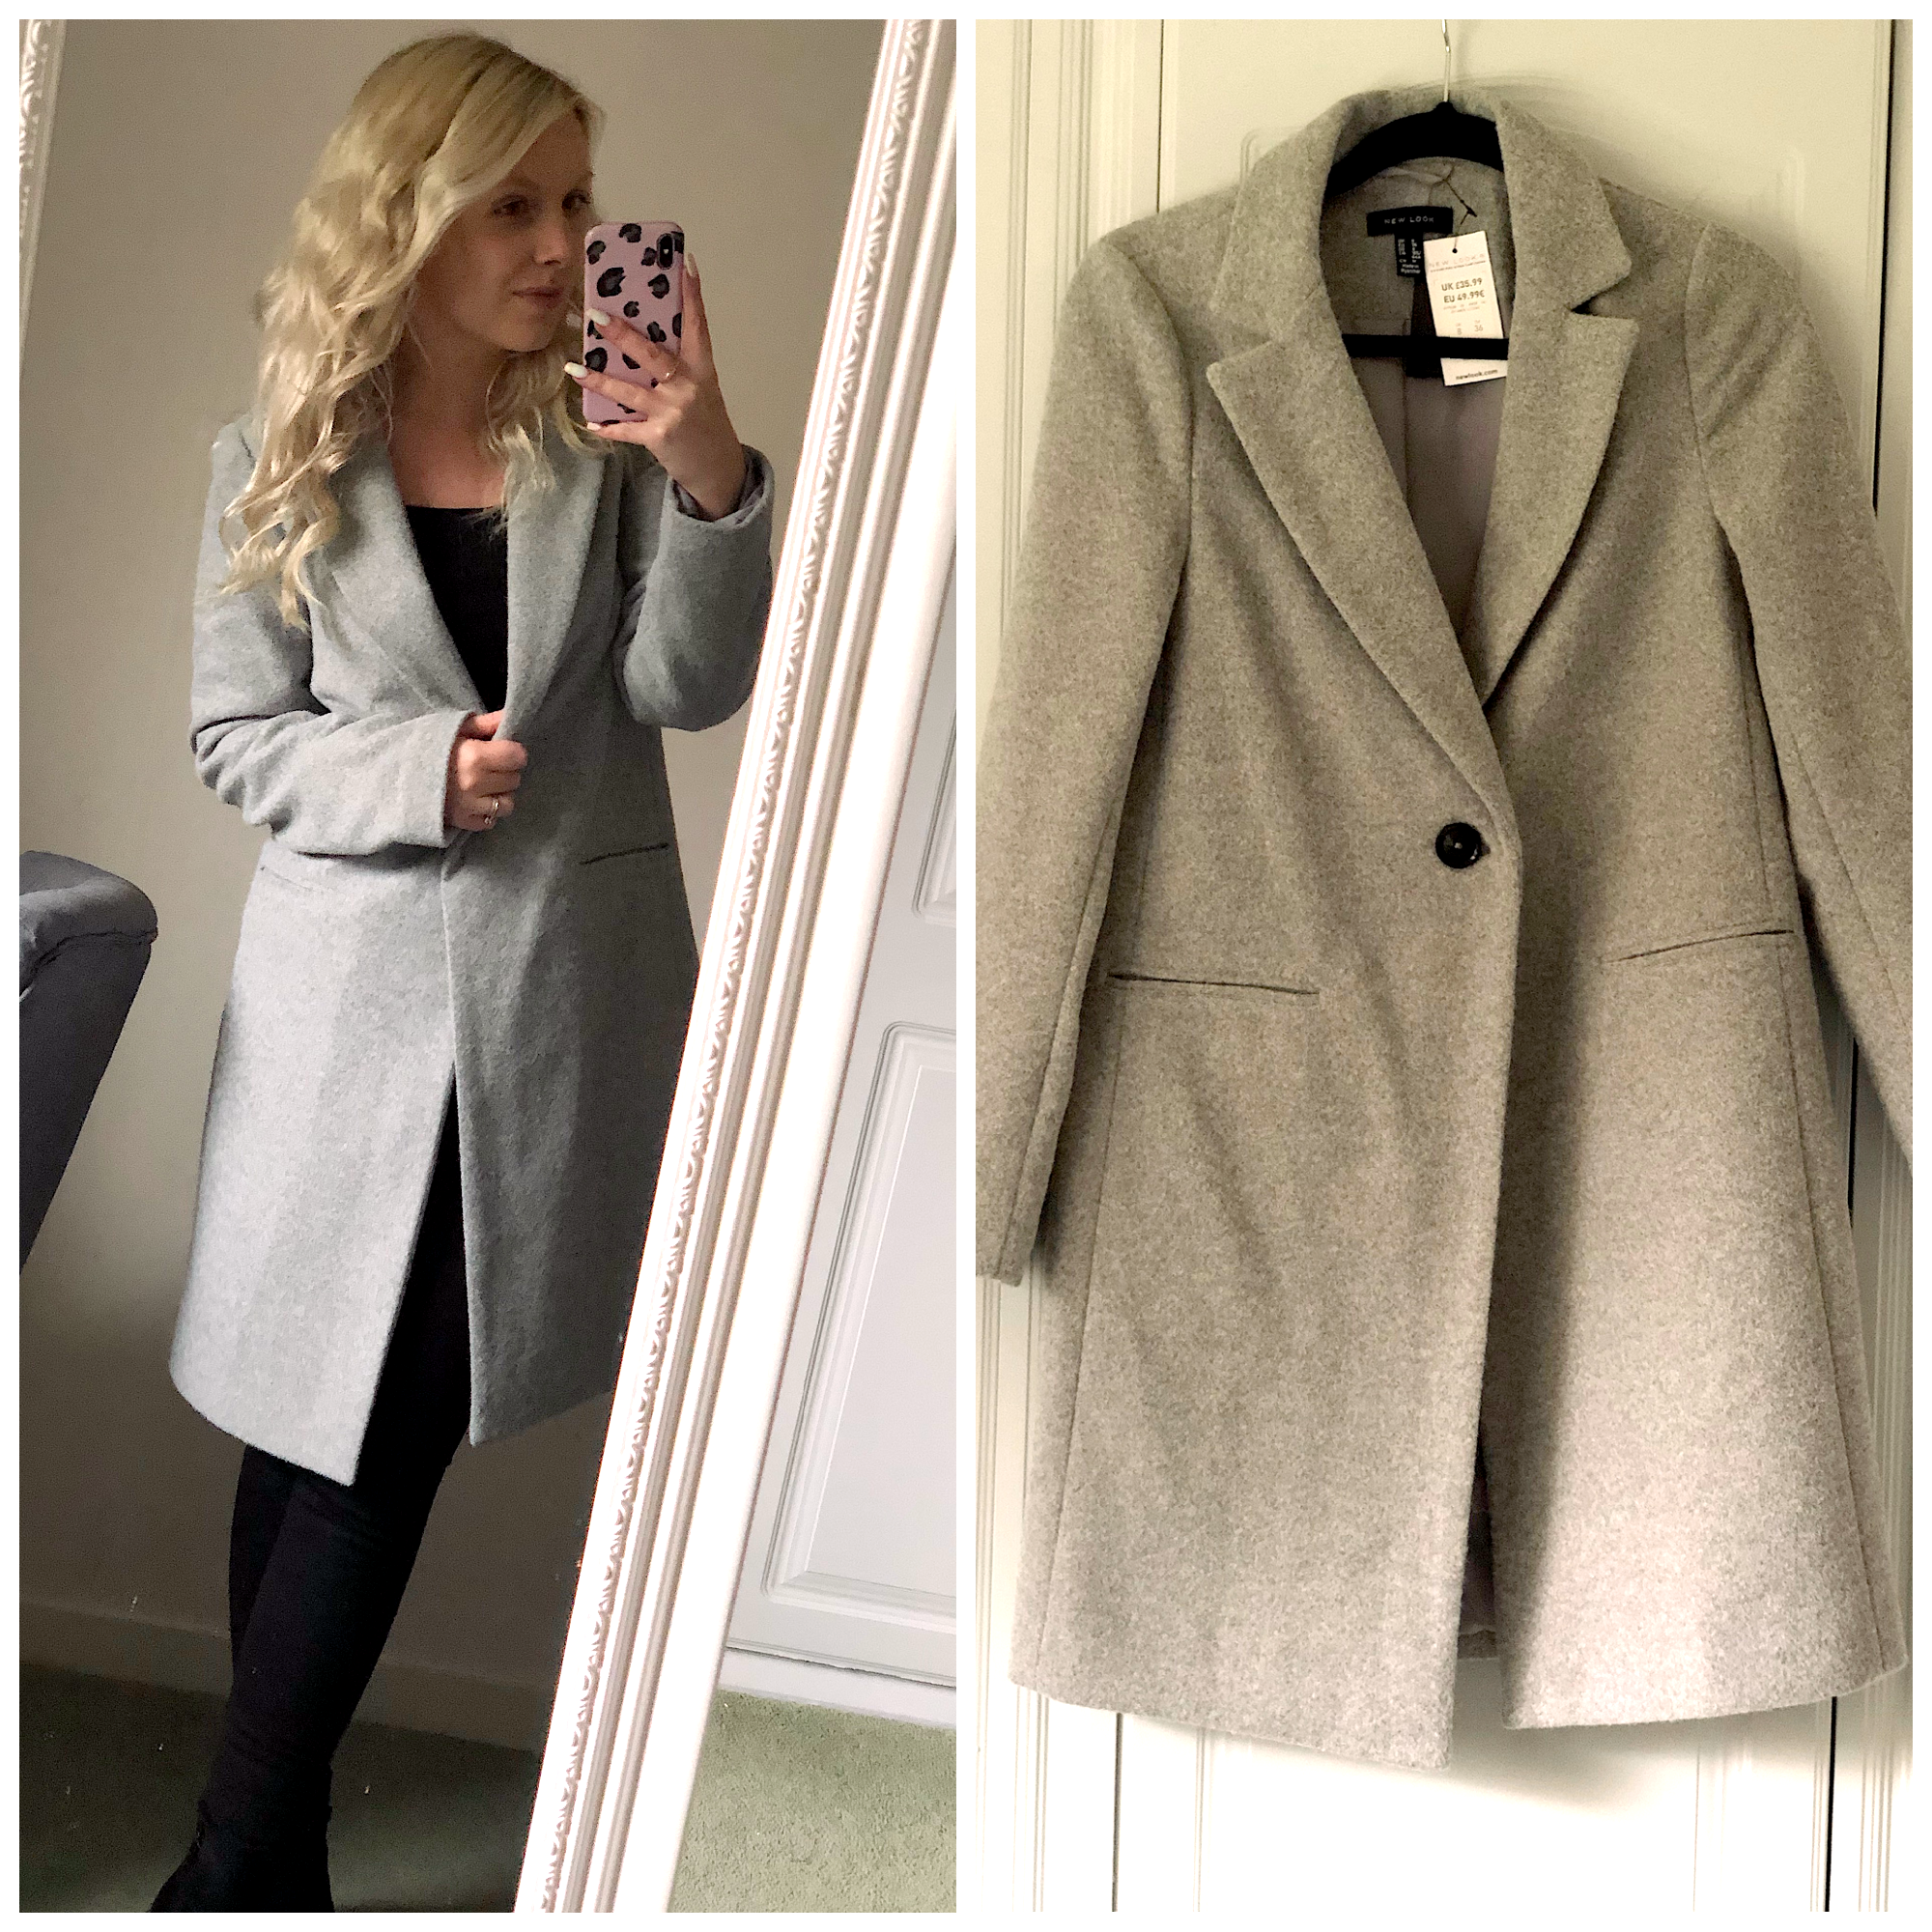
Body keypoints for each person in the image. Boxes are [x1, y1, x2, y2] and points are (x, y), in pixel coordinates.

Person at [153, 33, 774, 1910]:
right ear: (405, 217)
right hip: (339, 1033)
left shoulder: (604, 439)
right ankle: (260, 1859)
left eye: (577, 201)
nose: (562, 244)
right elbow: (236, 737)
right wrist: (411, 772)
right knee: (306, 1433)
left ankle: (233, 1866)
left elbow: (685, 687)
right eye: (513, 204)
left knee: (380, 1437)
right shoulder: (277, 458)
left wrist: (708, 469)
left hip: (549, 1017)